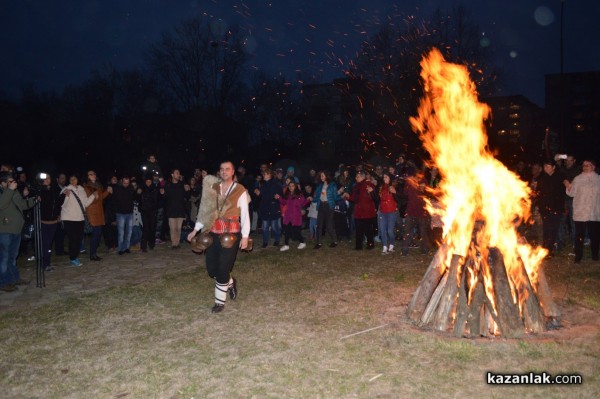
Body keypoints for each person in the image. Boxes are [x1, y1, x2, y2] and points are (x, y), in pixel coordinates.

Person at [187, 161, 250, 313]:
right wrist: (195, 230)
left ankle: (219, 303)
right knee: (212, 270)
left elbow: (245, 214)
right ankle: (230, 282)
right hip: (213, 232)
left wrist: (245, 236)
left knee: (223, 268)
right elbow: (205, 211)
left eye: (227, 169)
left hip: (231, 233)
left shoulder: (240, 190)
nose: (224, 172)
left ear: (233, 171)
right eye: (221, 169)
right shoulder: (213, 188)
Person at [0, 172, 36, 291]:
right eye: (10, 181)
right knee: (4, 258)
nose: (13, 183)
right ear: (3, 182)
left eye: (13, 181)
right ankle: (4, 282)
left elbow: (21, 205)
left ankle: (14, 278)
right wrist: (10, 190)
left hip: (16, 229)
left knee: (13, 256)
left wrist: (33, 200)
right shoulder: (4, 192)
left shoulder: (14, 192)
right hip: (4, 230)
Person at [565, 159, 600, 263]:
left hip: (594, 212)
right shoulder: (578, 178)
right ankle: (578, 257)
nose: (585, 167)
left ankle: (595, 255)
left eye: (588, 165)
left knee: (594, 235)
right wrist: (568, 186)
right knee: (579, 235)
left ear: (593, 167)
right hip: (580, 211)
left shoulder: (598, 179)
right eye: (584, 165)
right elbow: (571, 193)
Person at [60, 174, 97, 267]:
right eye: (71, 179)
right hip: (69, 218)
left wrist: (92, 196)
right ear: (69, 181)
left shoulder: (81, 189)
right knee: (73, 239)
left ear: (77, 180)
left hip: (80, 218)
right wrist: (67, 196)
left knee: (79, 239)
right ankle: (73, 258)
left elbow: (86, 203)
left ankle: (75, 257)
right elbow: (62, 205)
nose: (73, 181)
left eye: (75, 179)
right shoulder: (66, 189)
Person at [537, 160, 565, 257]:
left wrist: (560, 207)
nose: (546, 168)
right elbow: (539, 192)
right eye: (545, 166)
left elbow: (561, 194)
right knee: (546, 229)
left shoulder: (559, 177)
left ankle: (551, 248)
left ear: (553, 167)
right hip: (544, 209)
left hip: (556, 208)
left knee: (554, 229)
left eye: (548, 166)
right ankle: (546, 250)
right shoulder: (542, 177)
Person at [344, 170, 377, 250]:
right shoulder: (356, 186)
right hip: (358, 212)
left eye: (357, 176)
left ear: (362, 177)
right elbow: (354, 198)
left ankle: (370, 244)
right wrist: (348, 197)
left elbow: (375, 197)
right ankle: (358, 246)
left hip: (367, 212)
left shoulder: (369, 184)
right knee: (358, 230)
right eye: (356, 176)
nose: (356, 178)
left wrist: (371, 192)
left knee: (367, 230)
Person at [83, 170, 112, 261]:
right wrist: (95, 197)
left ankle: (94, 253)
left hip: (99, 211)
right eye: (91, 174)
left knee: (98, 234)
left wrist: (107, 191)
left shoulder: (98, 185)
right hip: (92, 212)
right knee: (96, 234)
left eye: (94, 174)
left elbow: (101, 198)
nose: (93, 175)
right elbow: (89, 201)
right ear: (87, 176)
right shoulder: (86, 187)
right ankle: (92, 254)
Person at [38, 173, 63, 271]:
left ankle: (47, 263)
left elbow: (57, 204)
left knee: (49, 244)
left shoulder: (54, 190)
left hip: (53, 221)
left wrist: (58, 215)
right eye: (45, 178)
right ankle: (44, 264)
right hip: (43, 221)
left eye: (49, 178)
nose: (47, 179)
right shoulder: (40, 190)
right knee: (45, 243)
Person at [277, 181, 310, 251]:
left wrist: (308, 199)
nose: (291, 187)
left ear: (295, 186)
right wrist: (279, 197)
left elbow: (303, 203)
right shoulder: (288, 194)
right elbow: (283, 202)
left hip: (296, 217)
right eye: (289, 186)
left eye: (292, 186)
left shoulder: (299, 195)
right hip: (288, 216)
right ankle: (286, 245)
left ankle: (302, 242)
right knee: (287, 231)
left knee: (296, 232)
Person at [161, 169, 190, 249]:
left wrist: (187, 190)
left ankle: (177, 243)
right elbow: (165, 198)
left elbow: (187, 197)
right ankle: (174, 244)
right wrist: (162, 193)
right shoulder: (168, 185)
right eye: (177, 173)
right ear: (172, 175)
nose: (178, 174)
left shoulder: (182, 184)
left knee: (178, 228)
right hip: (171, 210)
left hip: (180, 210)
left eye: (179, 173)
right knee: (172, 228)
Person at [254, 168, 283, 248]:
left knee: (274, 227)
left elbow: (278, 196)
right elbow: (262, 197)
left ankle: (277, 240)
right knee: (265, 227)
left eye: (265, 174)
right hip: (265, 209)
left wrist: (277, 197)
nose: (263, 175)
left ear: (270, 175)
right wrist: (258, 194)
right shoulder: (263, 185)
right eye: (263, 174)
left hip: (273, 208)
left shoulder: (276, 184)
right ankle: (265, 242)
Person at [312, 170, 340, 249]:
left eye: (323, 176)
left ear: (327, 176)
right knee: (319, 225)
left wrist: (342, 195)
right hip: (321, 205)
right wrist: (312, 198)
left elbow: (335, 197)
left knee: (329, 225)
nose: (321, 177)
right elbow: (317, 196)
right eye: (320, 176)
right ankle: (318, 243)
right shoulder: (320, 186)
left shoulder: (332, 185)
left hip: (329, 206)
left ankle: (335, 241)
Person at [111, 176, 135, 255]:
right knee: (121, 232)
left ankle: (127, 247)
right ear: (122, 181)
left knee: (129, 232)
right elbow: (114, 201)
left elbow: (133, 198)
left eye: (127, 183)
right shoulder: (117, 189)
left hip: (129, 213)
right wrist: (114, 214)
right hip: (120, 213)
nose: (126, 184)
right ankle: (120, 249)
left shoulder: (131, 188)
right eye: (125, 183)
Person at [378, 173, 400, 255]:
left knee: (390, 231)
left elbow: (399, 199)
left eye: (386, 177)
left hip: (392, 211)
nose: (384, 178)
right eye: (384, 177)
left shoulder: (393, 186)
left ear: (390, 178)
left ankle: (392, 244)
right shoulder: (381, 187)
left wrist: (395, 192)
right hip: (383, 212)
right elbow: (378, 199)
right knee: (382, 229)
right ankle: (384, 247)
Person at [137, 175, 160, 252]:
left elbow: (158, 199)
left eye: (150, 182)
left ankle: (151, 243)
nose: (148, 183)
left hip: (152, 211)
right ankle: (143, 246)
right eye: (147, 182)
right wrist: (138, 193)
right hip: (144, 211)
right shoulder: (141, 189)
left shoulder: (155, 189)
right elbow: (137, 198)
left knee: (152, 227)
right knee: (146, 228)